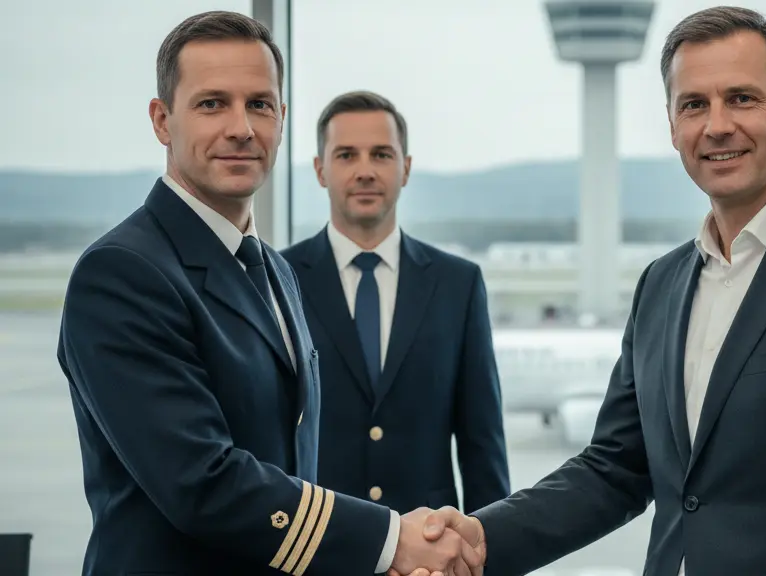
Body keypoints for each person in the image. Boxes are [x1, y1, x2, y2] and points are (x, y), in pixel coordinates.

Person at [403, 6, 766, 576]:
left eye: (742, 98)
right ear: (672, 127)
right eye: (694, 104)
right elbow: (615, 468)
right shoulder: (662, 284)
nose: (716, 125)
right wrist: (480, 539)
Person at [56, 11, 474, 576]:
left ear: (282, 118)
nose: (241, 128)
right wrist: (391, 539)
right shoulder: (123, 273)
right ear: (161, 120)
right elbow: (202, 483)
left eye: (259, 104)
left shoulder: (273, 269)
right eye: (211, 104)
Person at [281, 91, 511, 516]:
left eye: (381, 155)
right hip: (319, 546)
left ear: (405, 168)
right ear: (320, 170)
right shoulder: (279, 279)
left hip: (431, 548)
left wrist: (493, 553)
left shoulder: (458, 284)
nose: (365, 171)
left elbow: (483, 444)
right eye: (347, 155)